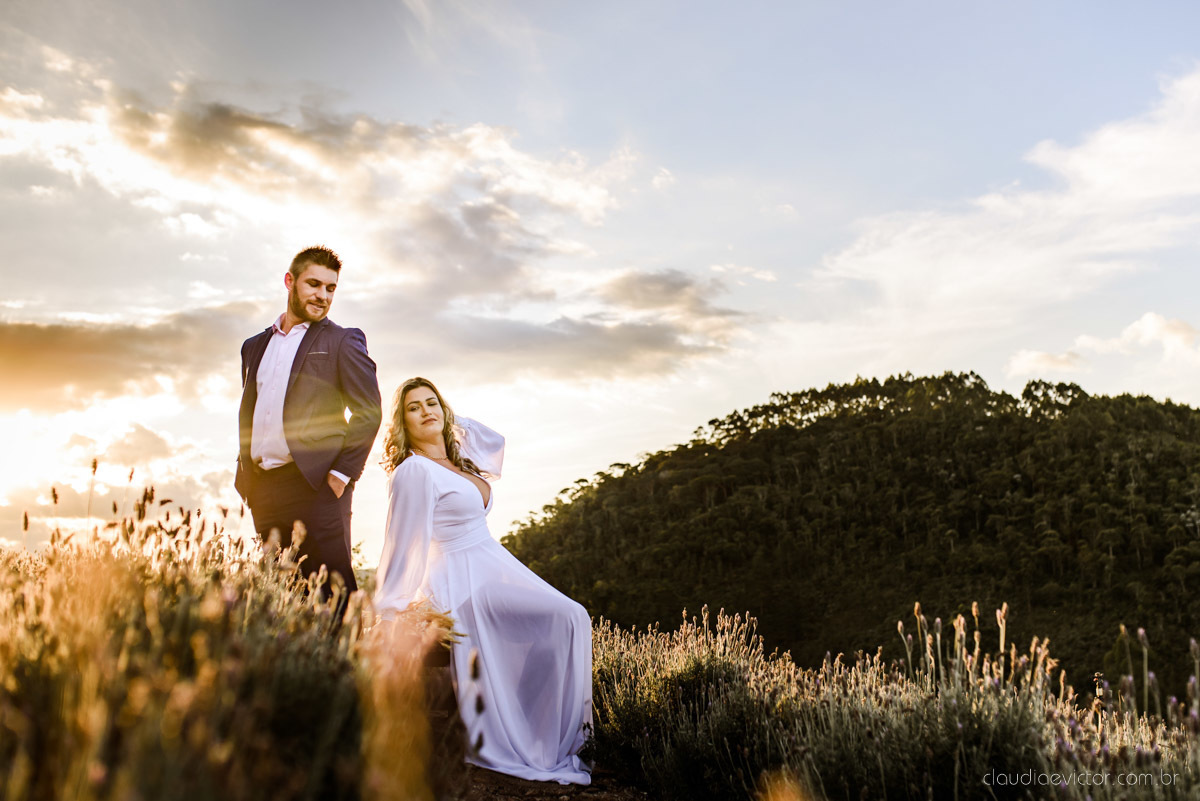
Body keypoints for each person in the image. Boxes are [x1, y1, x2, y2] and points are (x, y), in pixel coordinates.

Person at [374, 377, 592, 785]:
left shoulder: (459, 462)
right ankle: (522, 737)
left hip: (492, 563)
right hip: (461, 579)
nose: (426, 412)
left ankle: (531, 725)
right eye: (414, 408)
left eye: (432, 402)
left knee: (569, 619)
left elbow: (494, 440)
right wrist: (392, 610)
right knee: (568, 617)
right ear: (401, 423)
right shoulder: (414, 471)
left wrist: (449, 422)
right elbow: (402, 544)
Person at [235, 245, 382, 600]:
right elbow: (253, 410)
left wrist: (341, 476)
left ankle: (344, 657)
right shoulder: (253, 346)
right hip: (263, 490)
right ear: (290, 281)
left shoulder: (342, 340)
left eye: (331, 288)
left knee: (333, 596)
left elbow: (369, 411)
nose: (323, 295)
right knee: (282, 598)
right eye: (314, 284)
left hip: (316, 488)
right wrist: (248, 481)